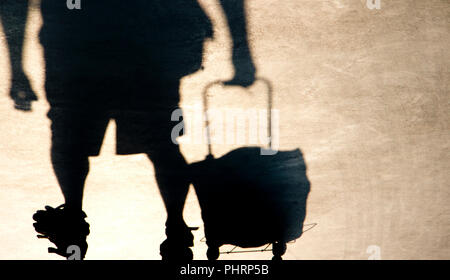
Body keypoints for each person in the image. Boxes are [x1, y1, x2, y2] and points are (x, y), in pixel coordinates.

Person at [1, 0, 256, 260]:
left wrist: (16, 67)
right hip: (147, 37)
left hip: (77, 41)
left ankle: (74, 222)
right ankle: (176, 228)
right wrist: (241, 48)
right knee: (161, 142)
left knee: (71, 136)